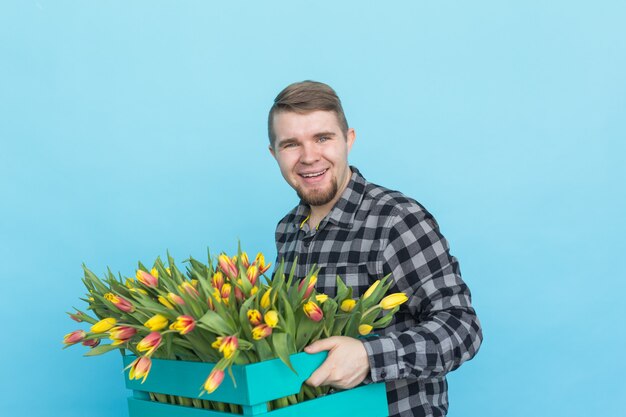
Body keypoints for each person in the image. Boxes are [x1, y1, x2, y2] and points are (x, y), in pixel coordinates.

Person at [268, 80, 482, 417]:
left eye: (323, 138)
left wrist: (369, 356)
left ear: (348, 140)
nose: (309, 157)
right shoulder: (287, 230)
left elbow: (461, 327)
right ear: (274, 154)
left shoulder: (396, 219)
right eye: (291, 144)